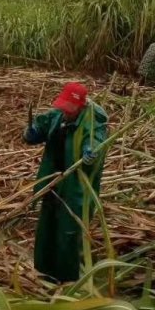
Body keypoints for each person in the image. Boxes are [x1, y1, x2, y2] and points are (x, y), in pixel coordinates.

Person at [24, 82, 108, 283]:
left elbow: (95, 140)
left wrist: (92, 152)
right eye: (64, 108)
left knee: (69, 231)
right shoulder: (58, 116)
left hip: (75, 186)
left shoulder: (92, 120)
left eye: (70, 110)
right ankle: (44, 272)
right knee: (48, 226)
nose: (66, 113)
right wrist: (30, 133)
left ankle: (66, 280)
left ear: (80, 107)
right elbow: (40, 126)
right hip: (53, 180)